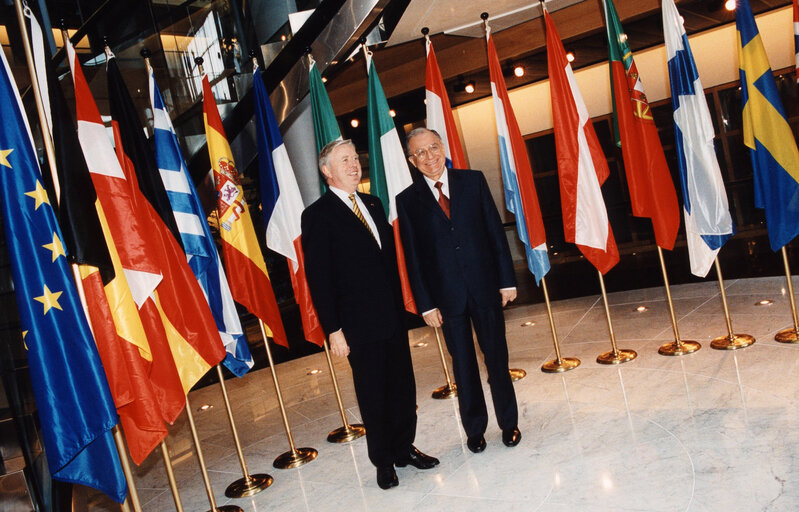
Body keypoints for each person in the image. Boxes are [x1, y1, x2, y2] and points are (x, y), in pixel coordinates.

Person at [301, 139, 438, 490]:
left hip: (391, 317)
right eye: (344, 160)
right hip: (358, 326)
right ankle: (384, 461)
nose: (353, 165)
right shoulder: (316, 215)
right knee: (373, 394)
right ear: (326, 171)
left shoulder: (374, 204)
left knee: (403, 389)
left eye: (355, 158)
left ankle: (405, 448)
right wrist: (334, 330)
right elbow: (320, 279)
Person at [396, 128, 521, 453]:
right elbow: (413, 258)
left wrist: (507, 280)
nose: (429, 156)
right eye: (420, 153)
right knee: (463, 366)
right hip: (446, 299)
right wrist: (425, 304)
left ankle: (509, 424)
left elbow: (495, 232)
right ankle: (475, 429)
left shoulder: (473, 181)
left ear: (443, 148)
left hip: (485, 288)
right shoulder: (407, 201)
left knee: (497, 359)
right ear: (412, 160)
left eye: (433, 148)